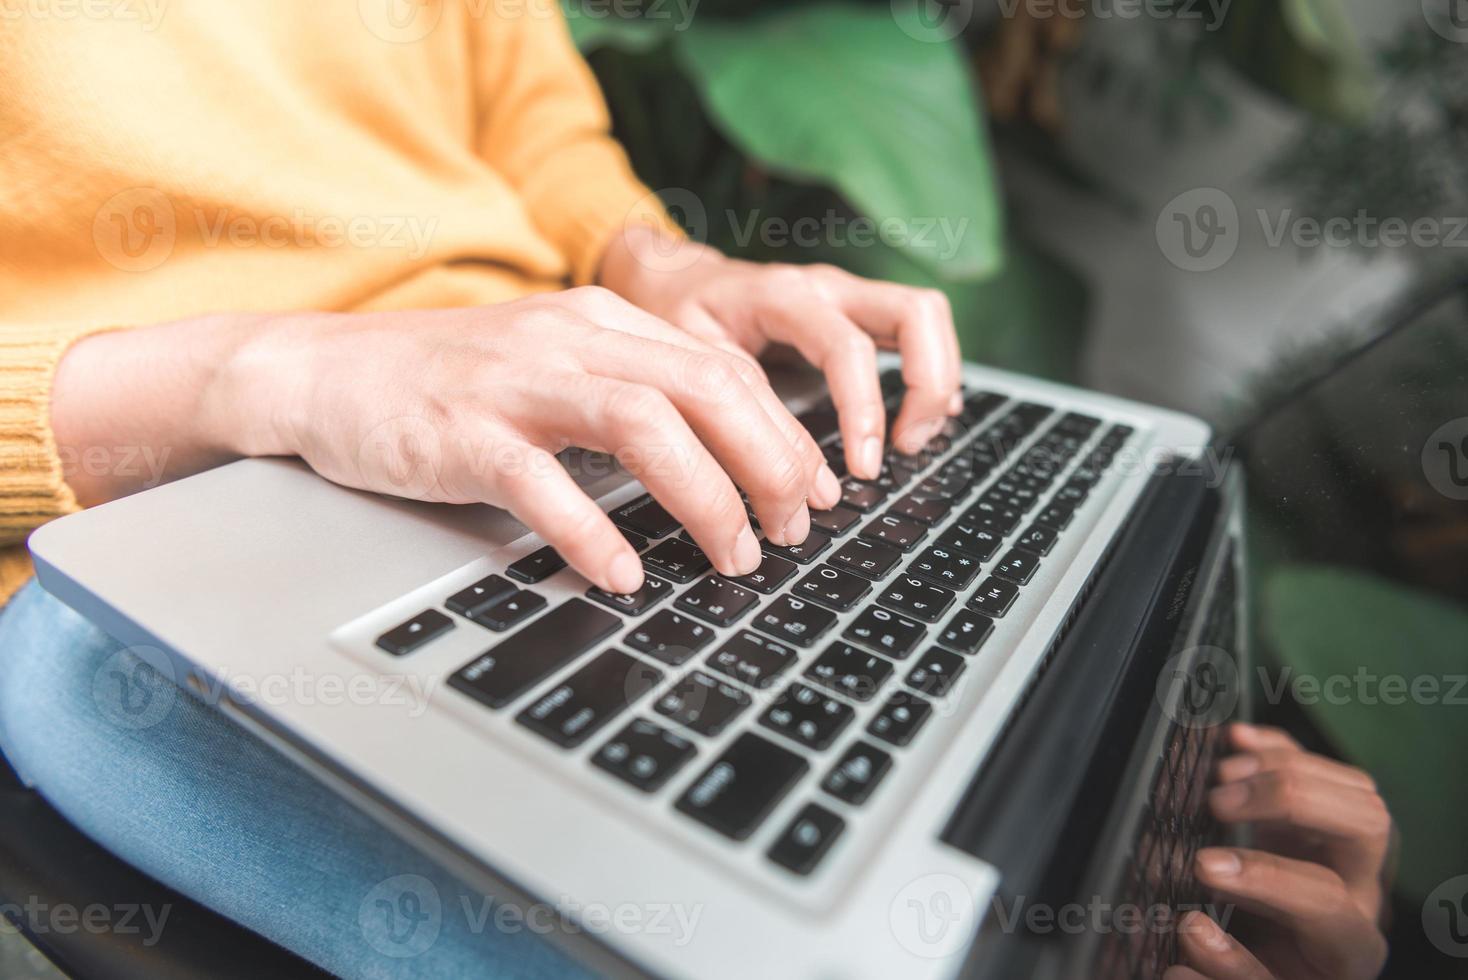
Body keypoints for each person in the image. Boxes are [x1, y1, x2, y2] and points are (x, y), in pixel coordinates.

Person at [0, 2, 1391, 976]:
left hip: (553, 398)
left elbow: (527, 113)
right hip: (145, 500)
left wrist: (673, 274)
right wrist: (261, 372)